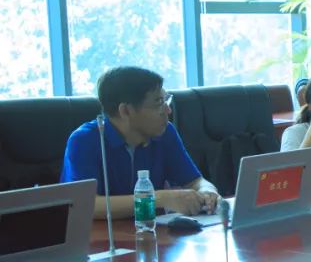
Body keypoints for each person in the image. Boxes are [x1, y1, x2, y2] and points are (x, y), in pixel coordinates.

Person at [60, 66, 219, 219]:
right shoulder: (84, 140)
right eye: (158, 103)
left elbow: (195, 181)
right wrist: (158, 198)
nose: (168, 110)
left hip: (152, 231)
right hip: (101, 235)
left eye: (166, 100)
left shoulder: (165, 133)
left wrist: (208, 191)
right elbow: (86, 204)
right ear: (126, 111)